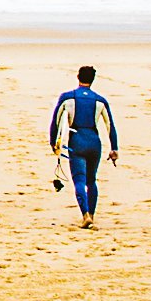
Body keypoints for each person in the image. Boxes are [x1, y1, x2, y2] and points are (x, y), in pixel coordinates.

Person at [49, 64, 119, 225]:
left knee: (79, 180)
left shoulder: (67, 98)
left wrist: (53, 143)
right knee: (91, 181)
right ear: (93, 79)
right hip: (94, 142)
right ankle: (92, 216)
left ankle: (85, 214)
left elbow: (56, 122)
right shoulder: (100, 100)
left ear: (78, 77)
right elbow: (110, 126)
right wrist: (114, 148)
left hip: (77, 141)